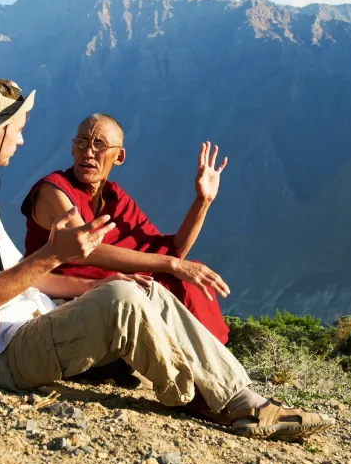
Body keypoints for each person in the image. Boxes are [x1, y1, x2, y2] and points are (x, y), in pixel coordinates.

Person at [0, 78, 333, 442]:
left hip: (25, 326)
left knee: (142, 292)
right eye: (17, 128)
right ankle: (211, 399)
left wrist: (87, 284)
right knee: (124, 299)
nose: (22, 138)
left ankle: (245, 398)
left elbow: (25, 279)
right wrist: (52, 256)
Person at [20, 113, 230, 345]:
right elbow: (85, 247)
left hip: (112, 290)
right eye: (80, 142)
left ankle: (207, 356)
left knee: (190, 278)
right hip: (61, 296)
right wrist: (173, 264)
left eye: (99, 144)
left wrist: (203, 201)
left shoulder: (114, 198)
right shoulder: (54, 190)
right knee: (173, 273)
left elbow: (171, 250)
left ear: (119, 156)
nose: (87, 152)